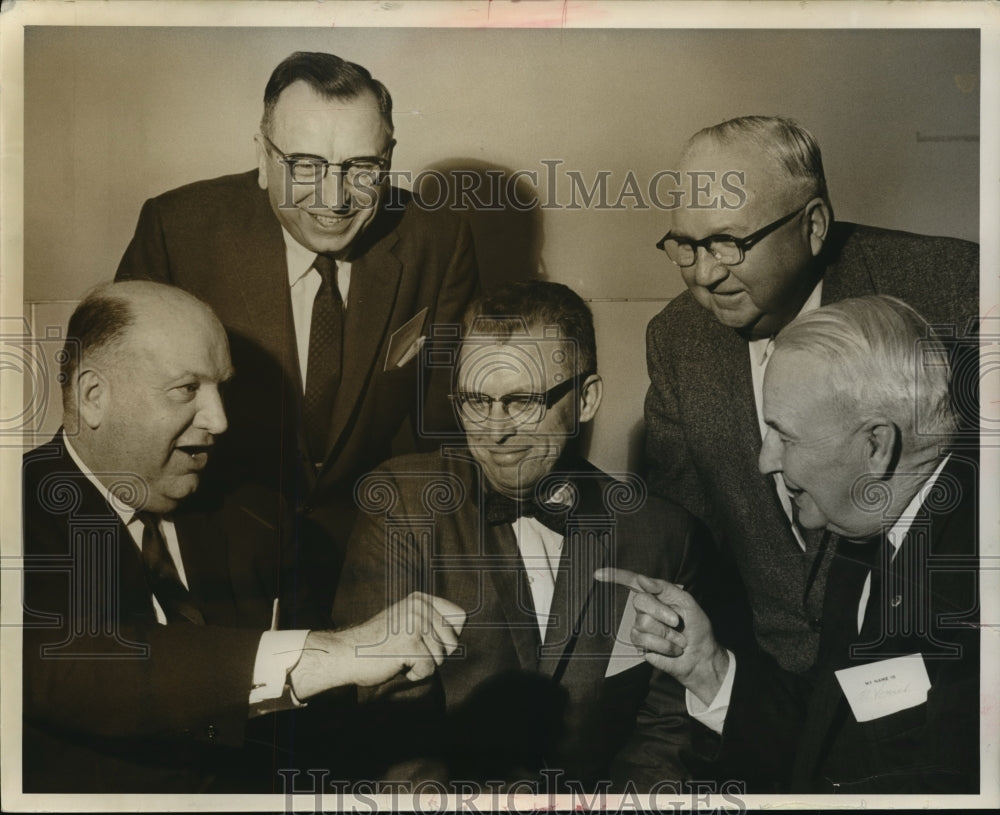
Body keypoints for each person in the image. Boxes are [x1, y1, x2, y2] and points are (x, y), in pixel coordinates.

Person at [22, 281, 466, 793]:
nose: (219, 420)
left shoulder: (257, 517)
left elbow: (325, 726)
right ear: (94, 397)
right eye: (187, 389)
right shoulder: (18, 514)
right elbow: (85, 667)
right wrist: (333, 653)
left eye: (221, 388)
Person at [115, 51, 479, 582]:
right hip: (213, 542)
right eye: (305, 166)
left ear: (388, 157)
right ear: (264, 158)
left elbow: (444, 430)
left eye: (361, 168)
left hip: (374, 544)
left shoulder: (438, 242)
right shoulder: (178, 231)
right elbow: (122, 418)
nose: (335, 199)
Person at [644, 115, 979, 673]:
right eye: (686, 245)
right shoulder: (677, 339)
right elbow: (686, 540)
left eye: (728, 243)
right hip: (770, 686)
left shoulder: (953, 287)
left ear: (814, 225)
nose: (704, 274)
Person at [332, 281, 697, 789]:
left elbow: (666, 730)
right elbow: (392, 733)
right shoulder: (402, 505)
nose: (495, 430)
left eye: (523, 401)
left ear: (586, 398)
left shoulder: (661, 532)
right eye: (474, 400)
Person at [605, 295, 978, 793]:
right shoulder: (866, 531)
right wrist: (709, 668)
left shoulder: (974, 584)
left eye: (785, 436)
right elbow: (833, 737)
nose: (766, 462)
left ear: (877, 445)